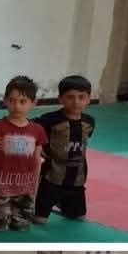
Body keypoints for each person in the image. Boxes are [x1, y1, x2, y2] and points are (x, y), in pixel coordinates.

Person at [0, 75, 48, 231]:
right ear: (5, 100)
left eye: (23, 101)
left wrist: (34, 190)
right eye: (12, 100)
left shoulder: (38, 130)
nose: (16, 106)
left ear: (33, 103)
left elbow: (37, 162)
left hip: (25, 189)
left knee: (22, 226)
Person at [33, 75, 95, 224]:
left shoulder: (89, 122)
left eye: (81, 97)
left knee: (79, 218)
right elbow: (29, 128)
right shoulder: (50, 119)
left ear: (88, 99)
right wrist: (39, 147)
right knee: (39, 220)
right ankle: (46, 201)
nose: (76, 102)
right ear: (60, 99)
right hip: (52, 178)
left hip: (77, 179)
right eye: (70, 97)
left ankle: (63, 202)